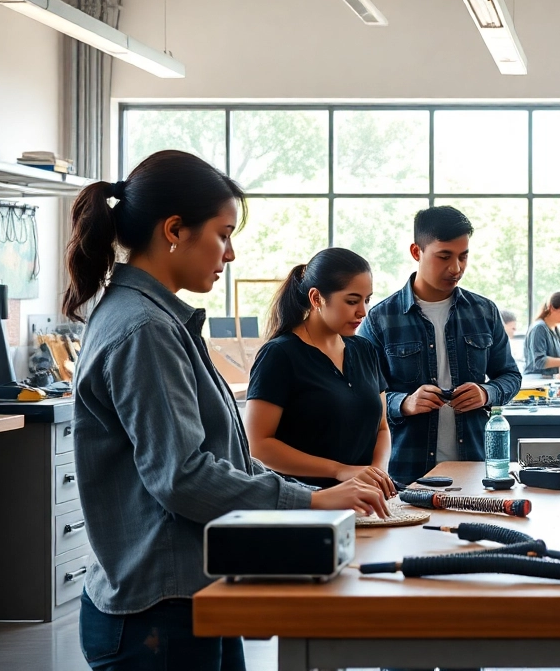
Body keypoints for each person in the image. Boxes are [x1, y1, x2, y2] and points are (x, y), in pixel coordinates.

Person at [67, 151, 389, 671]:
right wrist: (311, 501)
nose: (231, 253)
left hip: (195, 589)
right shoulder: (145, 330)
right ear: (175, 230)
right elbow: (183, 476)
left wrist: (316, 497)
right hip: (160, 609)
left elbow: (225, 459)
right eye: (223, 234)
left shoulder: (158, 320)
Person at [359, 206, 521, 486]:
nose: (456, 268)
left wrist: (486, 393)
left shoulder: (484, 312)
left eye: (463, 256)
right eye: (444, 256)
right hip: (407, 475)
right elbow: (363, 398)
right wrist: (404, 403)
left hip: (475, 471)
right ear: (416, 252)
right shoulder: (380, 319)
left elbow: (511, 376)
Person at [244, 248, 396, 495]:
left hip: (365, 500)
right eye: (352, 301)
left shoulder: (365, 349)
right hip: (303, 502)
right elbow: (258, 446)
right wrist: (340, 470)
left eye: (367, 300)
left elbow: (381, 428)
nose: (363, 311)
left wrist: (377, 474)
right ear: (316, 298)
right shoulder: (279, 355)